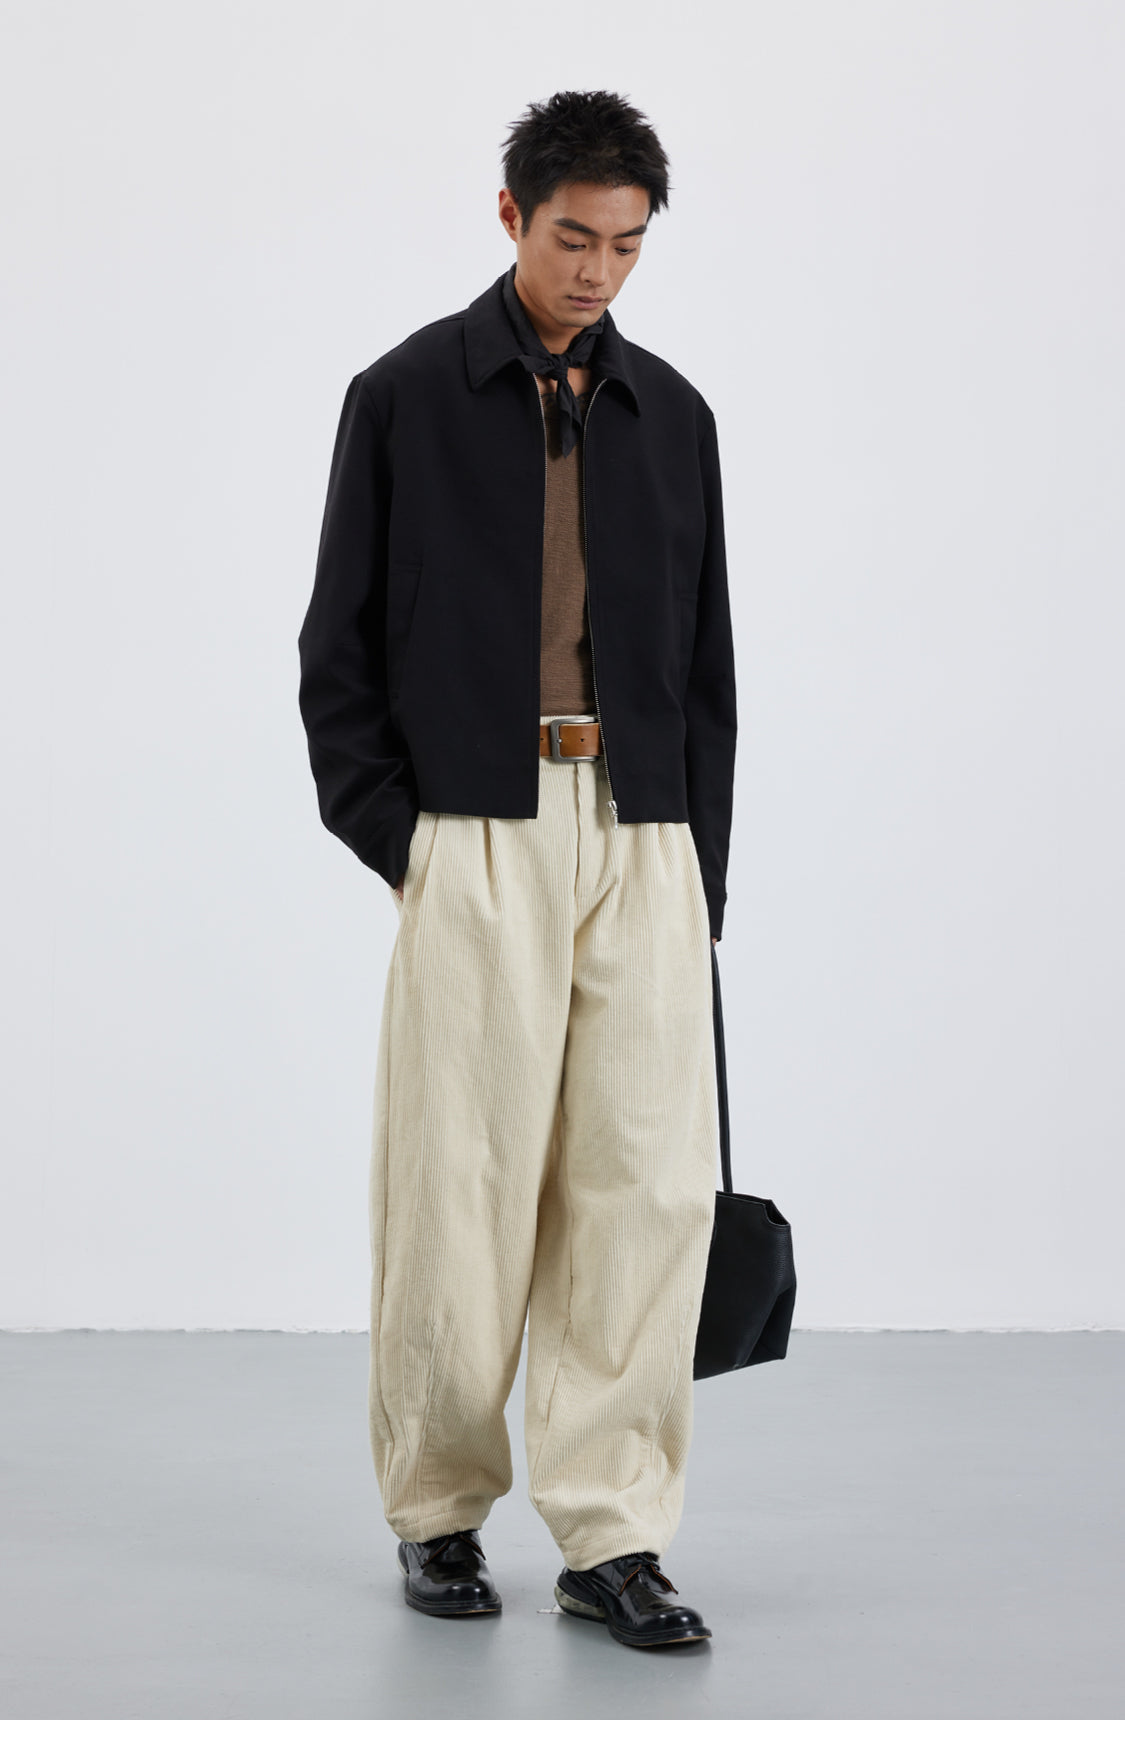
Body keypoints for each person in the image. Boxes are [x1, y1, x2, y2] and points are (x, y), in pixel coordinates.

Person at [297, 88, 736, 1651]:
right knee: (458, 1180)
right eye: (571, 238)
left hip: (645, 832)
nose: (596, 271)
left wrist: (697, 874)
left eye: (625, 245)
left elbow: (706, 660)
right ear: (509, 216)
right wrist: (400, 837)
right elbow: (335, 645)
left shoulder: (671, 415)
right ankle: (436, 1509)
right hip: (475, 825)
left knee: (643, 1188)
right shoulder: (405, 395)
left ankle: (612, 1533)